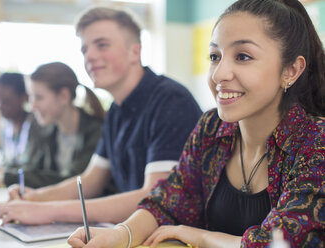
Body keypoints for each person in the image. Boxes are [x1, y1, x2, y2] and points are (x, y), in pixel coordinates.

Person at [67, 0, 325, 247]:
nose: (219, 74)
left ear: (291, 70)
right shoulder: (212, 128)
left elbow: (284, 242)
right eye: (215, 56)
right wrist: (120, 235)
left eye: (243, 56)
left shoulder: (315, 140)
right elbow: (166, 202)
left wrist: (197, 236)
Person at [0, 7, 202, 227]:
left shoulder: (170, 100)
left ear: (134, 52)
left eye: (102, 45)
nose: (89, 56)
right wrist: (36, 197)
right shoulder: (116, 110)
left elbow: (155, 198)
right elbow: (90, 181)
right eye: (84, 49)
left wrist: (47, 211)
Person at [2, 62, 105, 188]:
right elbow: (34, 170)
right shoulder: (48, 133)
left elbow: (71, 183)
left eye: (39, 98)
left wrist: (7, 177)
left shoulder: (97, 133)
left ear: (64, 96)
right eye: (31, 98)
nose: (32, 106)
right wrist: (4, 172)